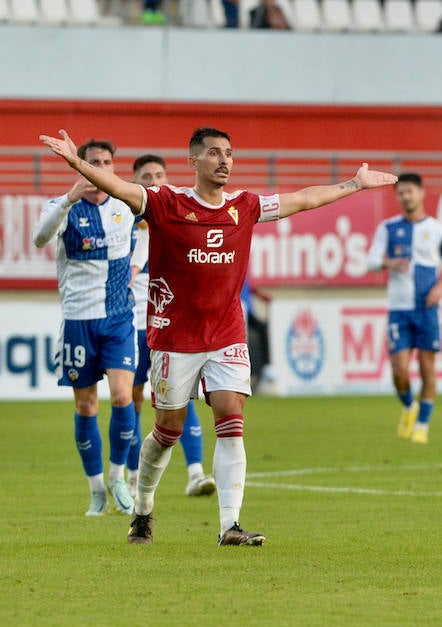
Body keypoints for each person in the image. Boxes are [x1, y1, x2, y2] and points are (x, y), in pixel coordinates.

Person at [38, 126, 397, 546]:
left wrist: (354, 184)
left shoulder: (244, 206)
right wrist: (76, 163)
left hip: (227, 332)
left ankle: (230, 525)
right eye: (213, 153)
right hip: (174, 337)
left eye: (229, 153)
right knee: (167, 429)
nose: (224, 160)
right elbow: (117, 185)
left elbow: (302, 200)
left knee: (231, 417)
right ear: (193, 162)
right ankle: (143, 509)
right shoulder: (165, 202)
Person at [32, 138, 139, 517]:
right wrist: (67, 200)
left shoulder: (126, 208)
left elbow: (148, 237)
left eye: (106, 162)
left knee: (124, 396)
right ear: (79, 167)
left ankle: (117, 477)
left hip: (117, 319)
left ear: (113, 167)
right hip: (78, 322)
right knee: (86, 404)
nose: (99, 168)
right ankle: (96, 490)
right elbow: (39, 237)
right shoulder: (62, 207)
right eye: (91, 162)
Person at [127, 154, 215, 498]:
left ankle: (196, 473)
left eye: (159, 174)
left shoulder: (179, 221)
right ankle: (134, 475)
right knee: (131, 399)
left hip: (171, 325)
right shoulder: (123, 223)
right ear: (133, 181)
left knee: (182, 398)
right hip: (133, 324)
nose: (153, 180)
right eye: (145, 176)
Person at [368, 173, 442, 445]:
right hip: (399, 309)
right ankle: (410, 406)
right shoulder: (388, 228)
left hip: (427, 308)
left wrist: (441, 286)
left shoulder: (438, 230)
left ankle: (422, 425)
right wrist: (389, 263)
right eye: (401, 193)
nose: (406, 197)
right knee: (398, 371)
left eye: (410, 191)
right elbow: (371, 260)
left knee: (426, 368)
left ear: (421, 193)